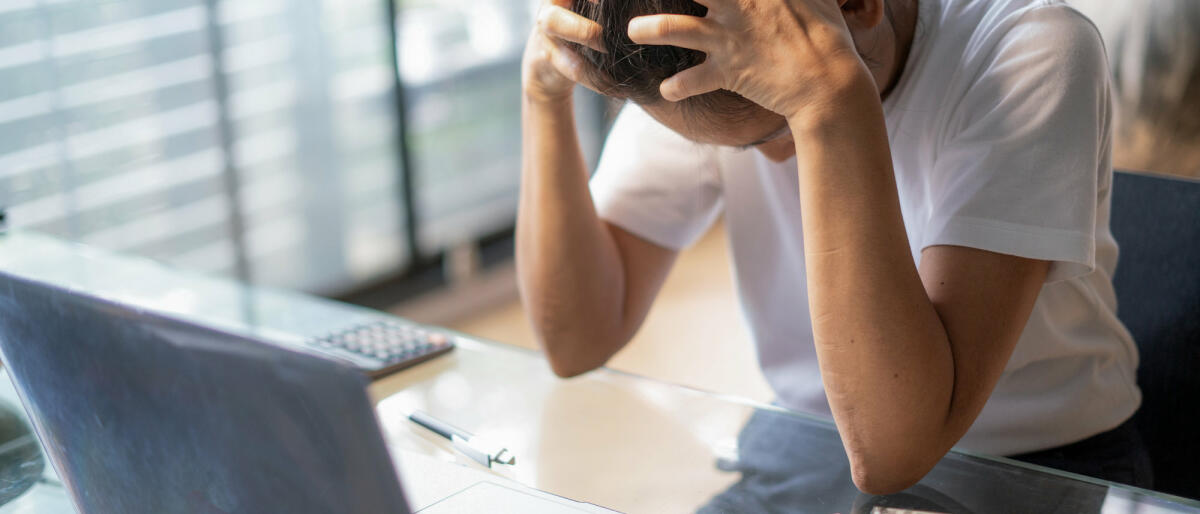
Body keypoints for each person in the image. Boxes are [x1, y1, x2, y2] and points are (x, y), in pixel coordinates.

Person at [516, 0, 1149, 494]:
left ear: (859, 6)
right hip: (805, 436)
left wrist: (828, 101)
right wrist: (544, 99)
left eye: (775, 127)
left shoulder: (1031, 50)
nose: (775, 159)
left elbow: (894, 451)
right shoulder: (702, 54)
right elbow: (577, 340)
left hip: (1040, 463)